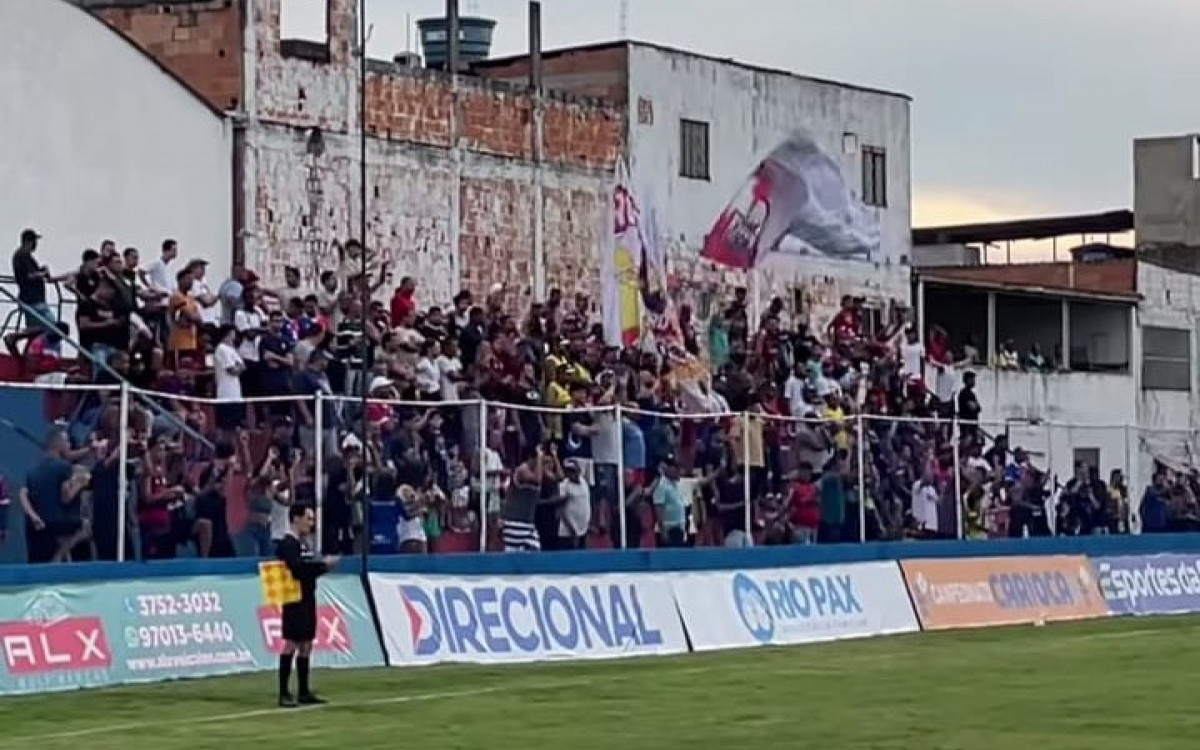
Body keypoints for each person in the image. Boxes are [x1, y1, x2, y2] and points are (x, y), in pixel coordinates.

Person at [276, 504, 339, 708]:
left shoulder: (304, 544)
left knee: (306, 643)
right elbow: (297, 569)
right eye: (308, 518)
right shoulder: (287, 544)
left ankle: (304, 691)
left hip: (307, 596)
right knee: (292, 643)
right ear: (296, 518)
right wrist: (323, 567)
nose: (311, 523)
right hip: (294, 598)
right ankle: (284, 692)